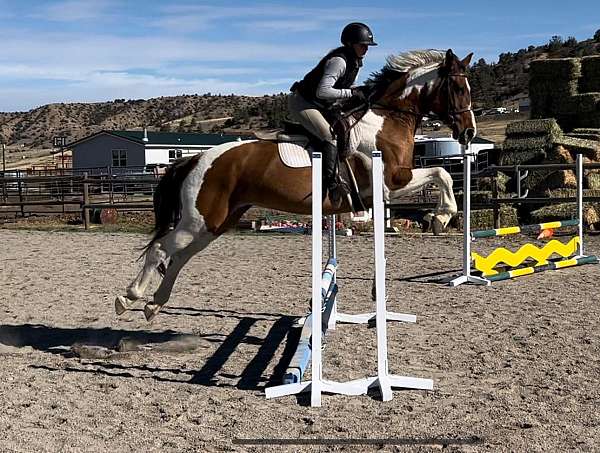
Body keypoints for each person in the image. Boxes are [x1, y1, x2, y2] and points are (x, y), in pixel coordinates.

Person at [288, 22, 377, 208]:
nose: (366, 49)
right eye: (362, 45)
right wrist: (351, 93)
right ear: (350, 44)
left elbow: (344, 87)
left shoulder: (355, 62)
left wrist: (361, 90)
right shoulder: (339, 61)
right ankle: (332, 184)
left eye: (367, 45)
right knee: (329, 135)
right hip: (303, 102)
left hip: (321, 104)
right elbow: (323, 91)